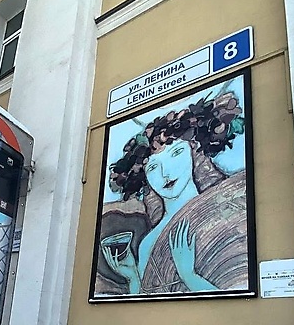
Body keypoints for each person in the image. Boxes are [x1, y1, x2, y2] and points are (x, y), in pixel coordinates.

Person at [100, 89, 248, 296]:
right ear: (144, 178)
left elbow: (239, 294)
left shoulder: (231, 208)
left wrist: (189, 276)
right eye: (153, 167)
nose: (166, 173)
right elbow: (143, 302)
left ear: (194, 152)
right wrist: (132, 276)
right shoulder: (148, 244)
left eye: (177, 153)